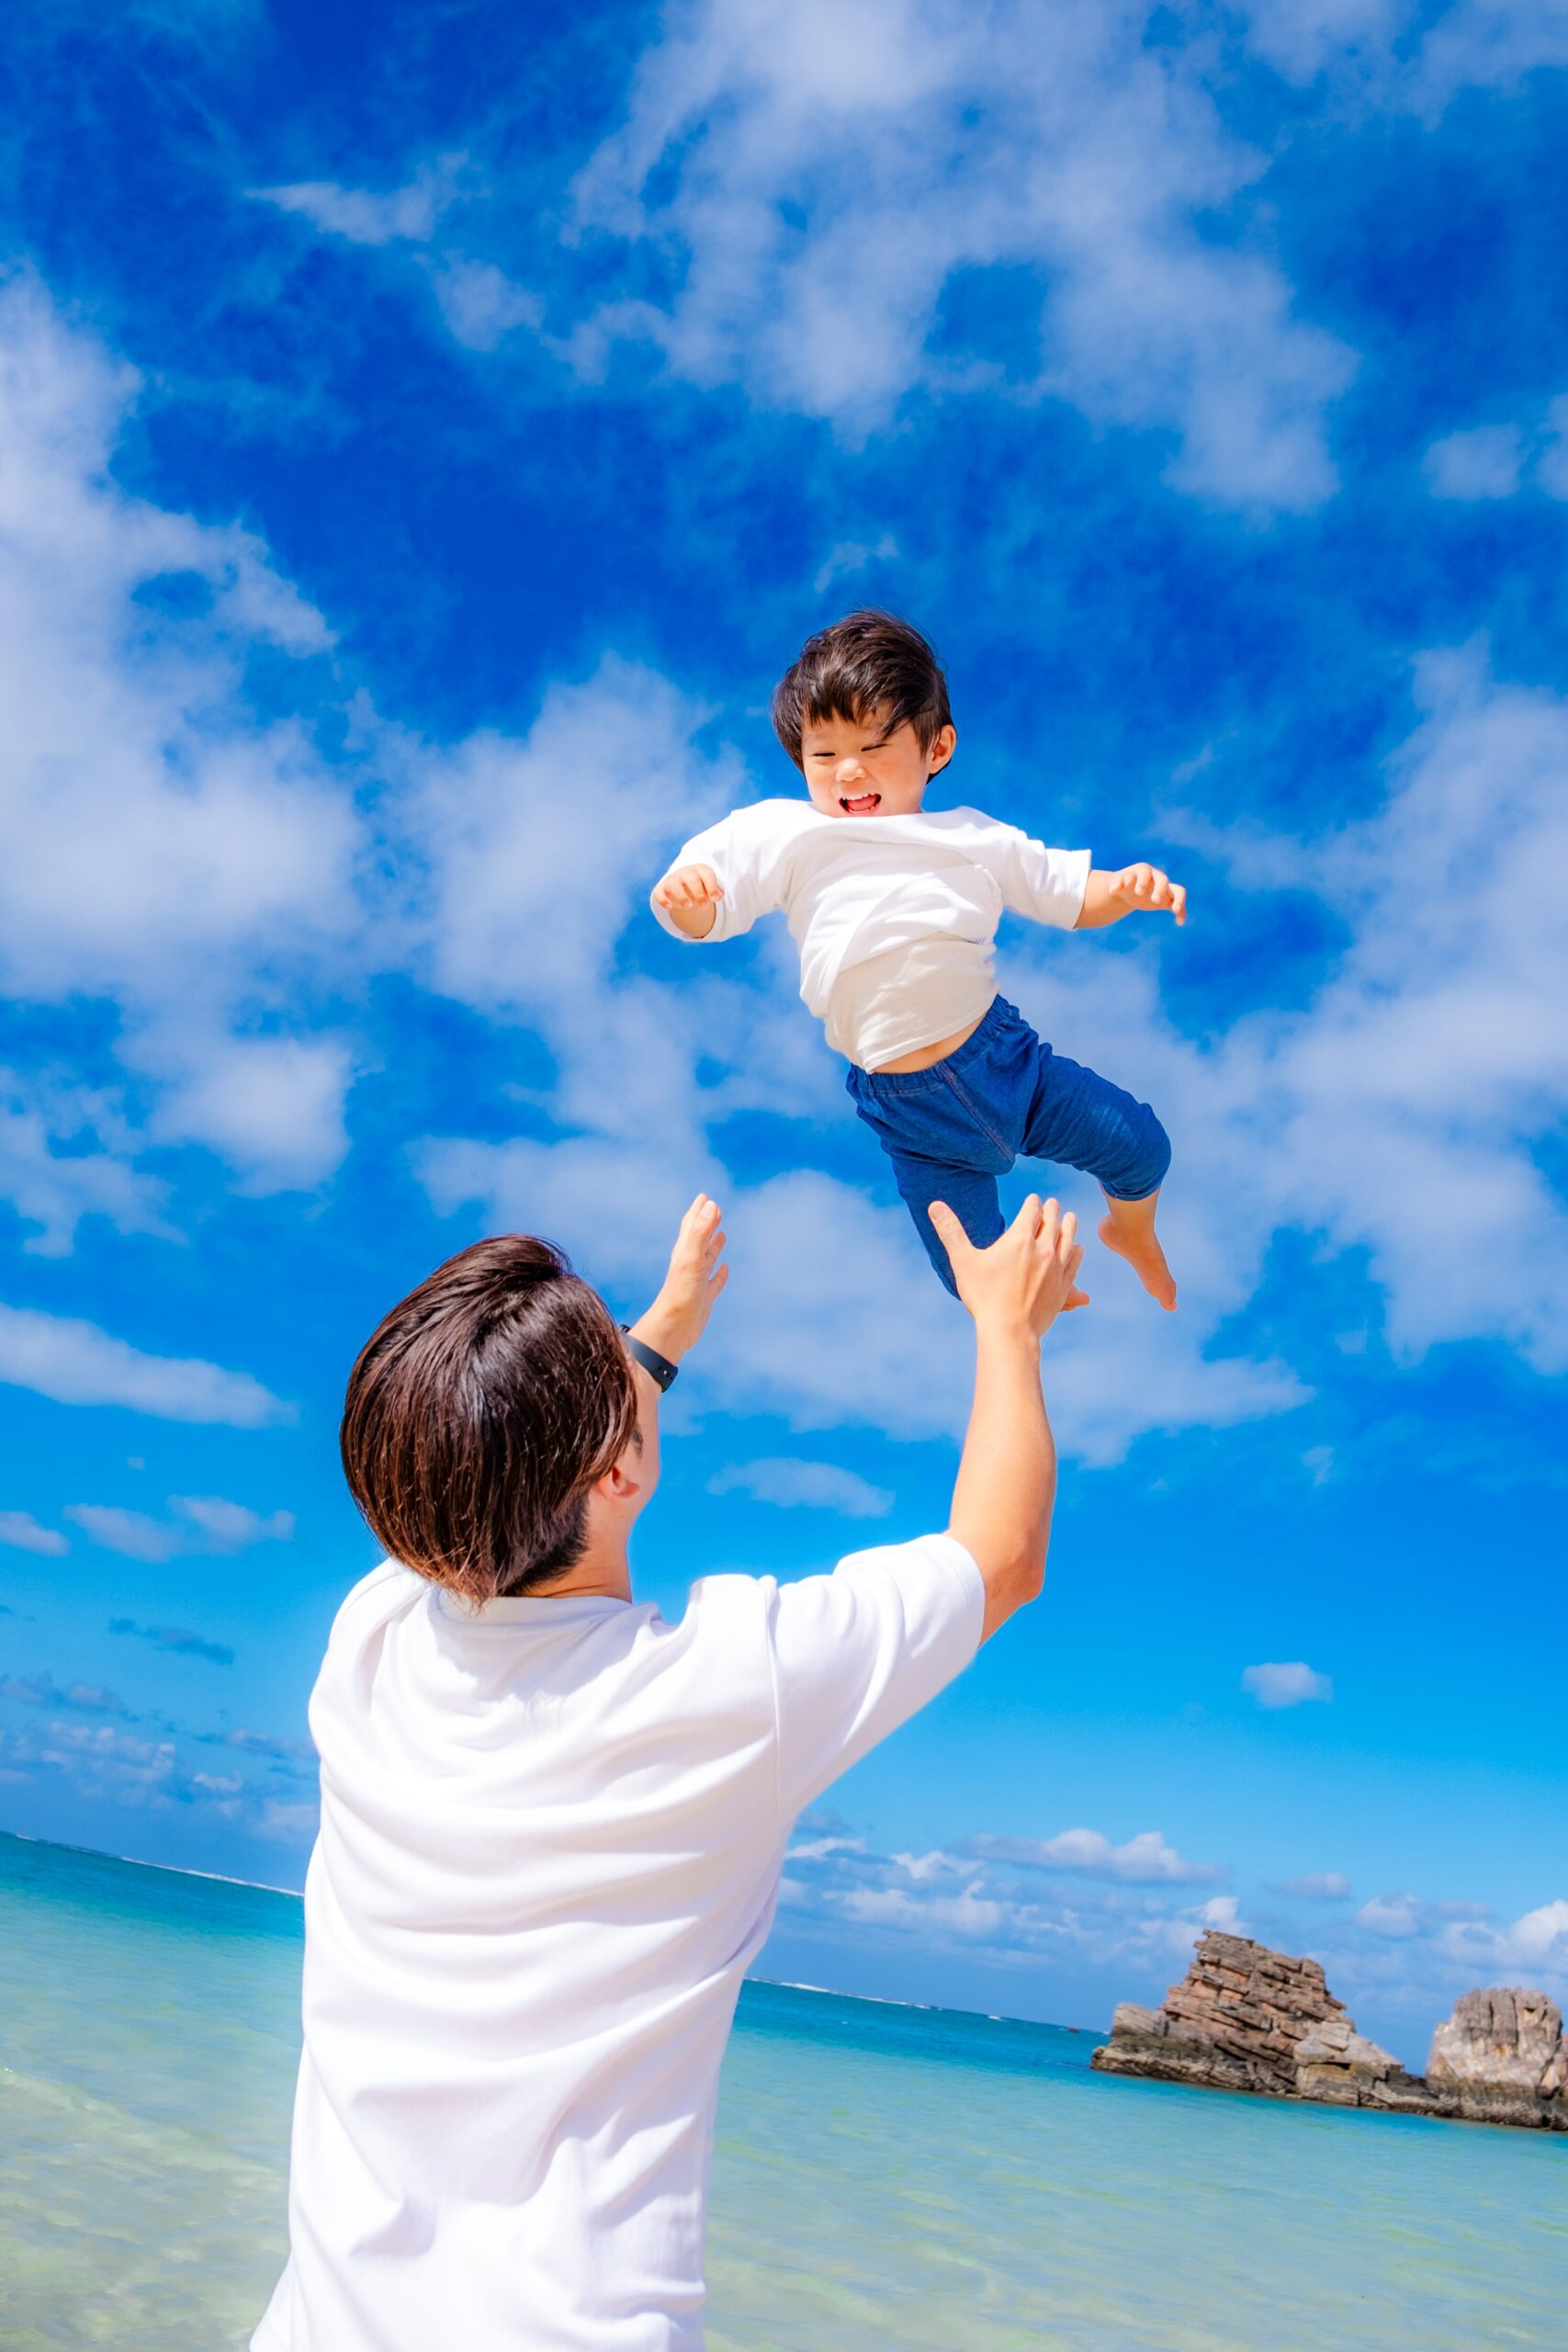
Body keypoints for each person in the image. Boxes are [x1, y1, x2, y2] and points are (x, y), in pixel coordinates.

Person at [253, 1186, 1084, 2352]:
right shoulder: (730, 1694)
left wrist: (661, 1334)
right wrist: (1010, 1325)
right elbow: (1000, 1558)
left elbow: (513, 1474)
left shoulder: (373, 1640)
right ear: (616, 1472)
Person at [651, 609, 1183, 1308]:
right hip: (913, 1120)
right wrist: (685, 896)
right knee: (974, 1280)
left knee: (1142, 1145)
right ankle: (1025, 1306)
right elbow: (709, 902)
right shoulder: (788, 833)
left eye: (874, 745)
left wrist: (1122, 888)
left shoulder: (971, 838)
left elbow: (1064, 890)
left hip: (1009, 1067)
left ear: (936, 749)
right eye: (823, 754)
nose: (848, 770)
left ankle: (1132, 1230)